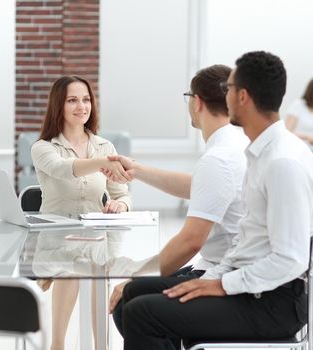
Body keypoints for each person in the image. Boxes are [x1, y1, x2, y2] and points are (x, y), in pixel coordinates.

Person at [119, 51, 313, 350]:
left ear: (242, 97)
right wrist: (212, 278)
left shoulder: (283, 162)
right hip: (251, 285)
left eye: (228, 88)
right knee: (135, 294)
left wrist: (220, 285)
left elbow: (290, 260)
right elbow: (245, 244)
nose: (223, 95)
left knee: (142, 313)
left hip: (272, 303)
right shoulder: (259, 152)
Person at [101, 64, 249, 336]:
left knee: (131, 301)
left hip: (225, 276)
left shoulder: (219, 159)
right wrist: (137, 170)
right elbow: (200, 186)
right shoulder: (233, 145)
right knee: (132, 297)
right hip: (227, 268)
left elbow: (190, 242)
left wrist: (134, 277)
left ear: (198, 102)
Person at [30, 75, 132, 350]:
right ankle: (58, 345)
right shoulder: (43, 148)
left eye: (86, 100)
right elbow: (65, 169)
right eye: (72, 100)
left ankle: (101, 345)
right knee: (72, 267)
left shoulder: (104, 147)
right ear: (58, 106)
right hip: (55, 240)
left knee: (94, 268)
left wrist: (120, 205)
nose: (81, 106)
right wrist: (101, 163)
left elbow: (122, 193)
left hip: (95, 238)